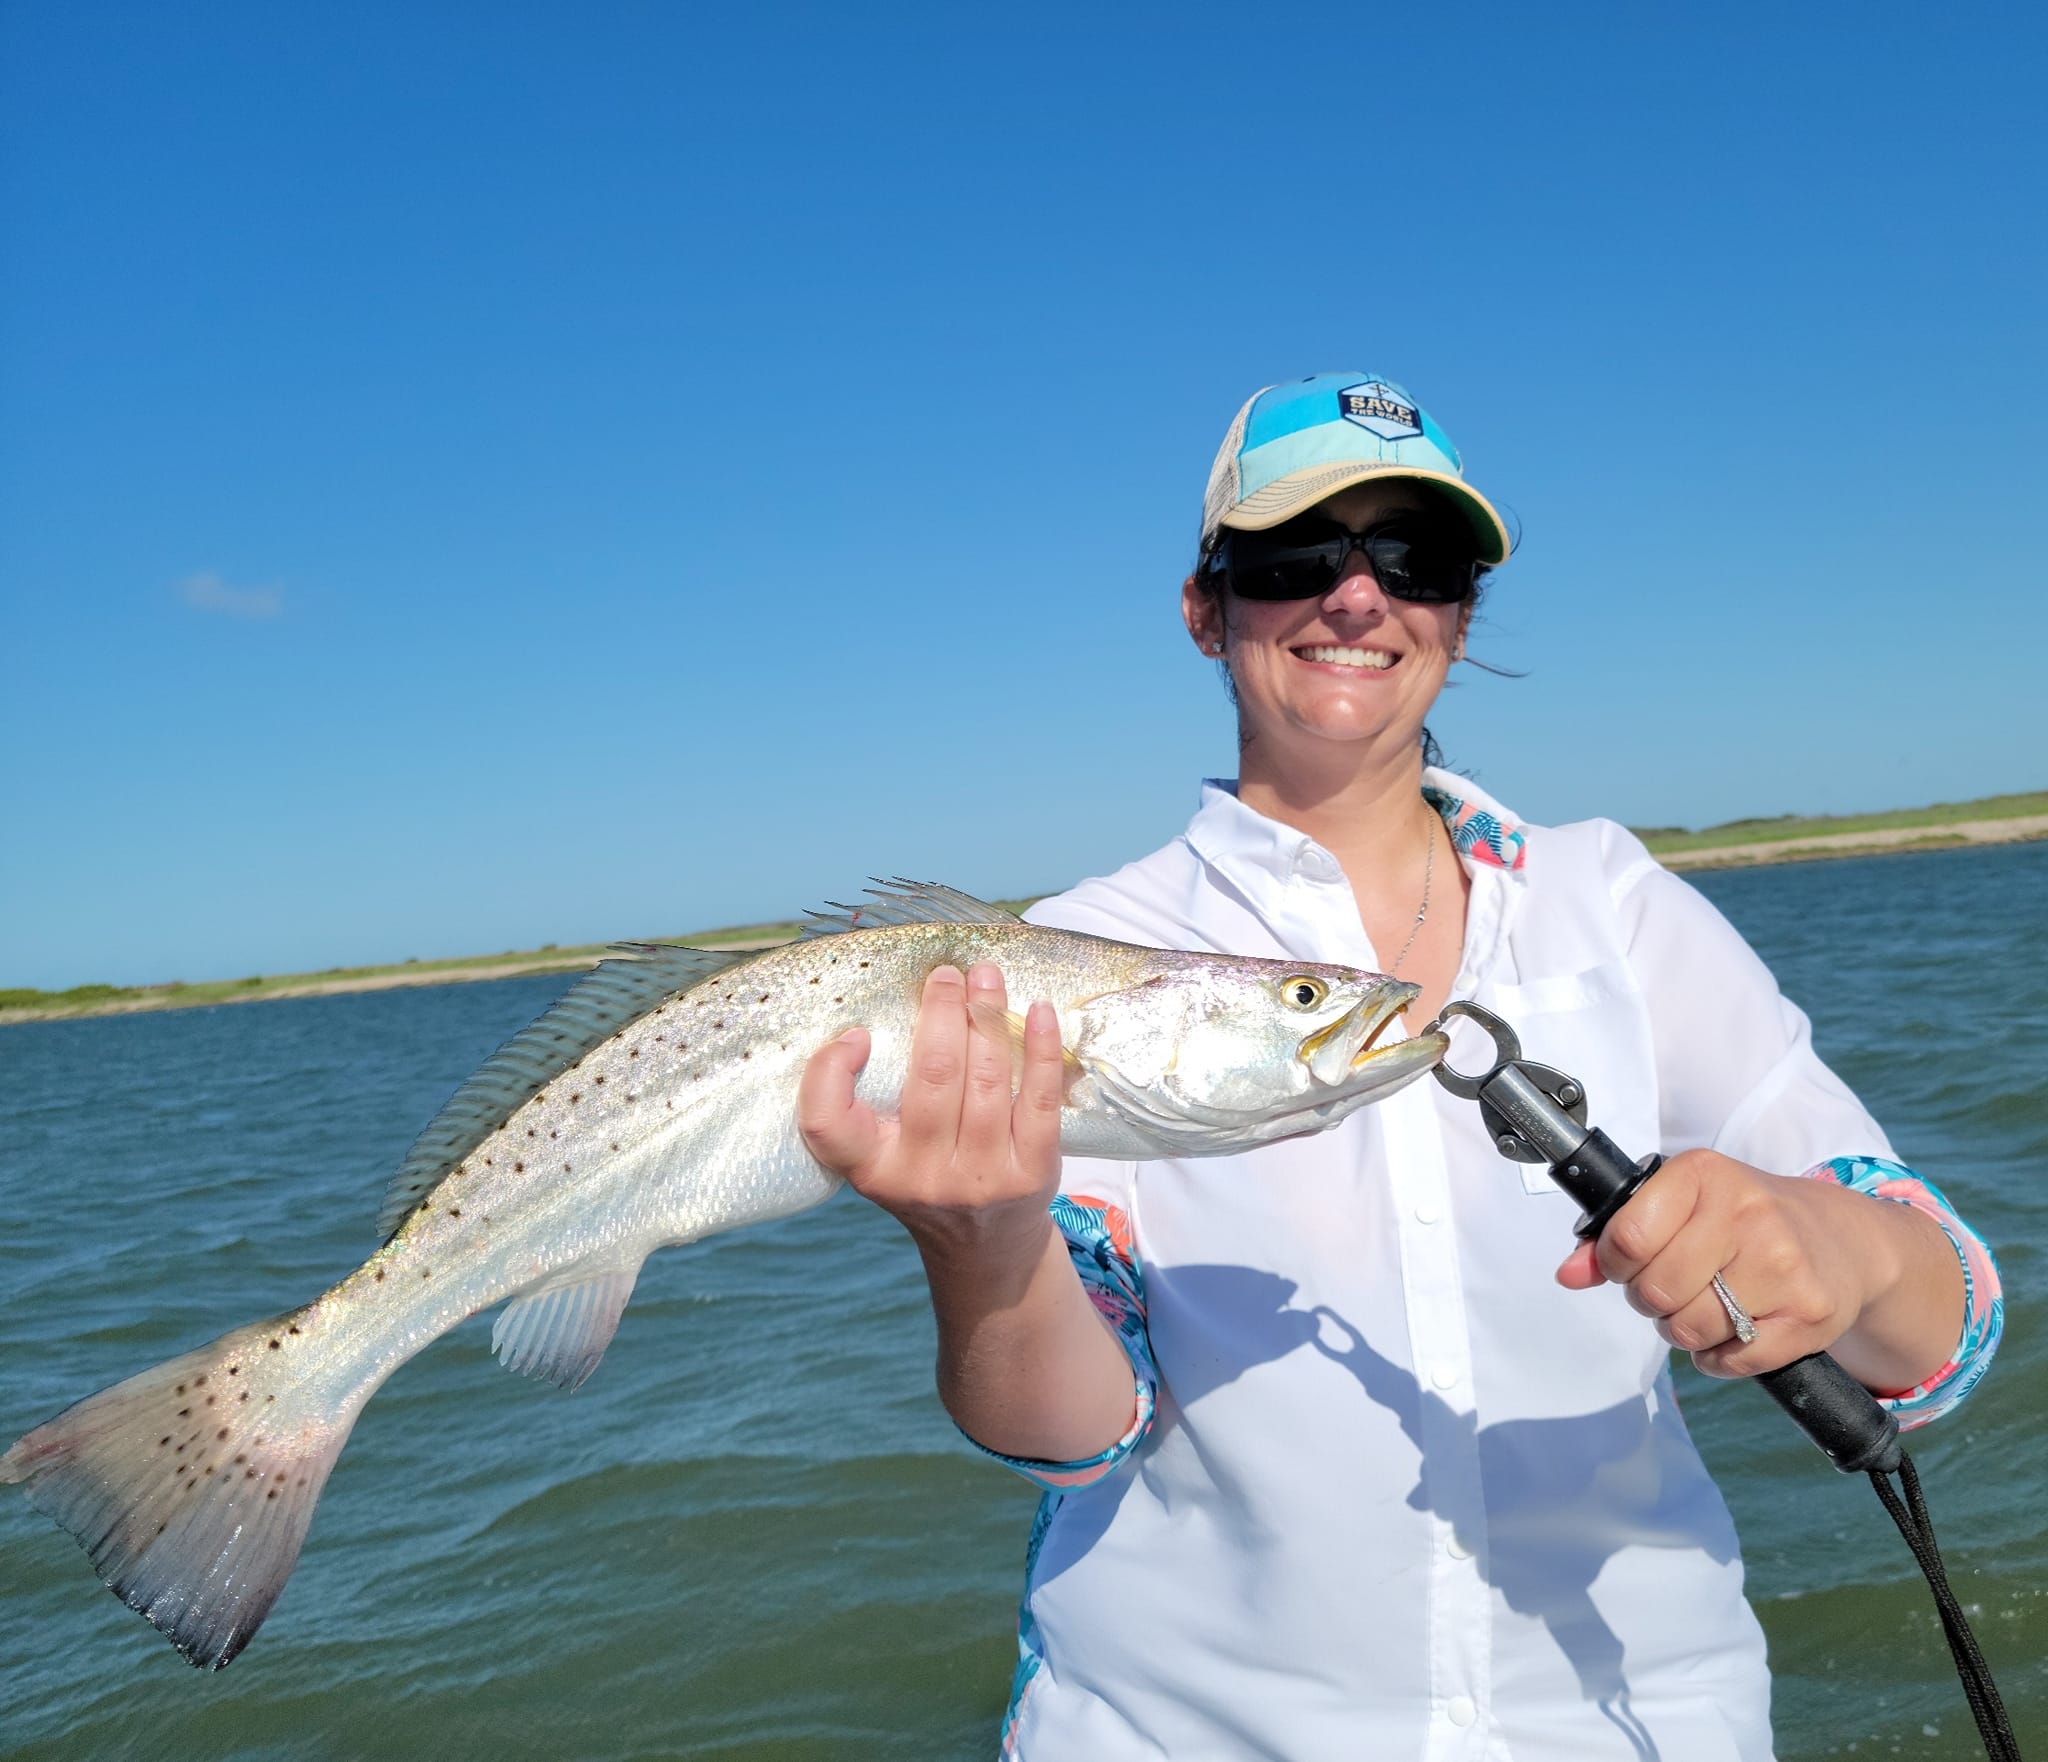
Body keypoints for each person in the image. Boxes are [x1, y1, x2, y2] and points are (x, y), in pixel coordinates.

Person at [795, 372, 2004, 1760]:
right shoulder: (1069, 963)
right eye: (1295, 556)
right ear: (1204, 610)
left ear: (1462, 615)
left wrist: (1834, 1251)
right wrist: (987, 1247)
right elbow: (1074, 1435)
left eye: (1417, 559)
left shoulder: (1614, 902)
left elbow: (1949, 1327)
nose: (1359, 596)